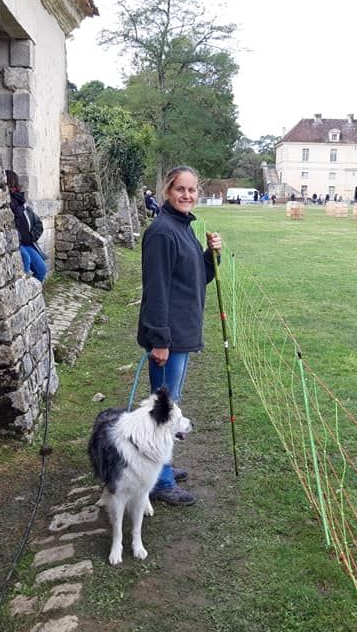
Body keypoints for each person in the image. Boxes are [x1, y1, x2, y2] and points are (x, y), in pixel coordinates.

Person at [137, 165, 222, 506]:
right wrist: (159, 339)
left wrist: (210, 255)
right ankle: (160, 479)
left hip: (182, 333)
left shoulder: (184, 228)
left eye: (192, 190)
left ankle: (163, 466)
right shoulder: (161, 232)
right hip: (168, 338)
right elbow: (156, 290)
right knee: (164, 408)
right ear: (167, 192)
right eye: (180, 189)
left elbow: (196, 278)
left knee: (169, 406)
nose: (187, 195)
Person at [6, 170, 47, 282]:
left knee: (41, 270)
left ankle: (33, 296)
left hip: (28, 243)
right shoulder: (5, 203)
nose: (12, 187)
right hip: (16, 244)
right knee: (26, 260)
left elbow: (38, 223)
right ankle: (23, 294)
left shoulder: (22, 202)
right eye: (10, 184)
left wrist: (31, 237)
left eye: (13, 184)